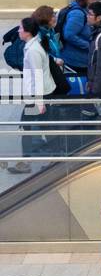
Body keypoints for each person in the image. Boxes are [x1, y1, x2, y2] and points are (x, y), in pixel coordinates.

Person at [18, 16, 57, 167]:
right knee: (46, 125)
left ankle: (25, 162)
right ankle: (55, 158)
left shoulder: (33, 50)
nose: (19, 30)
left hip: (37, 95)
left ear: (27, 32)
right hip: (41, 94)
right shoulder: (35, 45)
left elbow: (38, 76)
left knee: (26, 126)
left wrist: (39, 102)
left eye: (21, 28)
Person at [56, 0, 94, 75]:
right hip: (76, 60)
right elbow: (69, 35)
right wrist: (88, 46)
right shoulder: (78, 13)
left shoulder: (80, 9)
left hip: (77, 58)